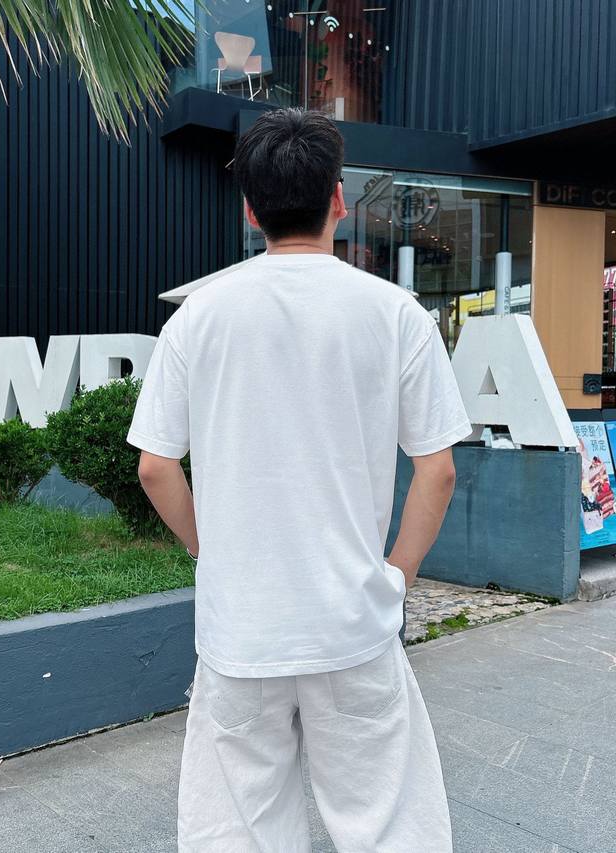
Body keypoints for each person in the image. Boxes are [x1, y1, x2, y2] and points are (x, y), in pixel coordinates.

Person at [126, 108, 472, 853]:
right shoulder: (396, 313)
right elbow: (438, 469)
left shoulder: (197, 318)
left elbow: (155, 466)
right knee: (389, 827)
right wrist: (398, 575)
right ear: (338, 199)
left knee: (237, 834)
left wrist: (210, 549)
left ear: (250, 211)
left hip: (240, 630)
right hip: (352, 624)